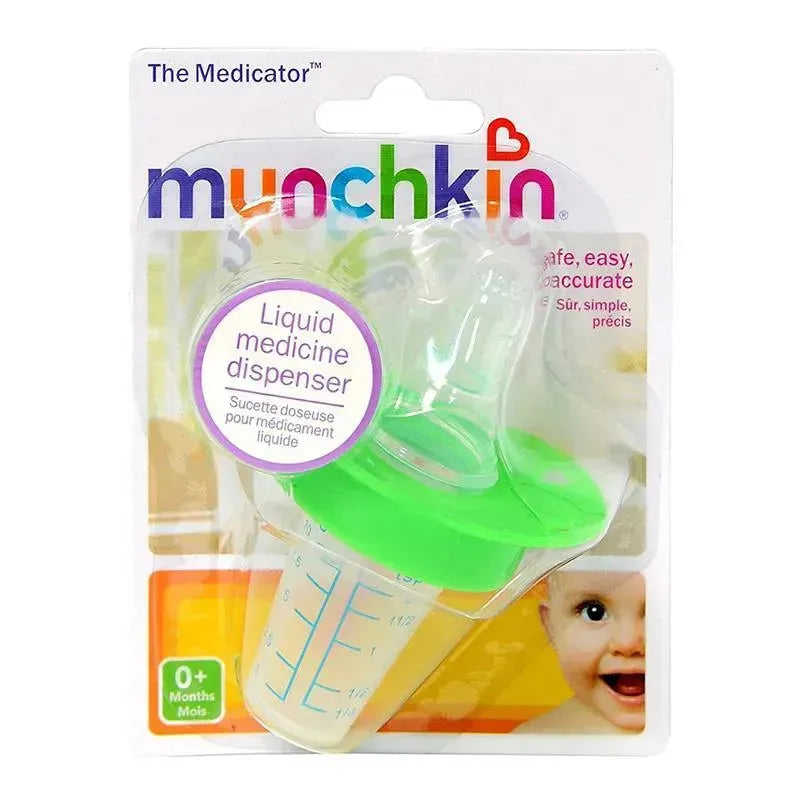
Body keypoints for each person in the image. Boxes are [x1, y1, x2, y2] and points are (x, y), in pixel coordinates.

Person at [517, 570, 645, 734]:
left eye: (661, 612)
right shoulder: (534, 739)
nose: (627, 643)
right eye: (594, 612)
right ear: (551, 627)